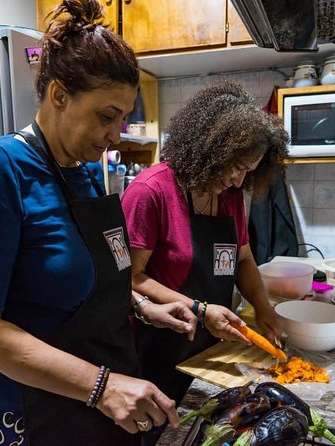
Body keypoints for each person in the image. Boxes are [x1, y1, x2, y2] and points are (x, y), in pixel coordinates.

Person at [0, 1, 197, 445]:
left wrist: (141, 307)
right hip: (30, 410)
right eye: (106, 116)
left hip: (101, 396)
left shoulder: (84, 172)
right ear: (60, 95)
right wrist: (101, 387)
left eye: (123, 118)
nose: (116, 134)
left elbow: (82, 285)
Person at [121, 80, 289, 442]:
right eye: (235, 166)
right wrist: (198, 309)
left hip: (208, 352)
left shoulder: (229, 197)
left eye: (249, 170)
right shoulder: (151, 192)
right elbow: (130, 278)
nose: (239, 179)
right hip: (156, 352)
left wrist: (264, 308)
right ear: (209, 148)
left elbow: (243, 258)